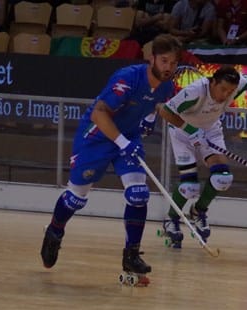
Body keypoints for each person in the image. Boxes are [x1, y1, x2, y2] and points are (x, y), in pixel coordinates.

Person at [40, 34, 183, 285]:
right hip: (96, 136)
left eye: (173, 62)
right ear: (152, 59)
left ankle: (131, 255)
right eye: (164, 61)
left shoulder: (167, 85)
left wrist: (149, 120)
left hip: (127, 136)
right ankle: (54, 231)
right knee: (75, 198)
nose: (168, 67)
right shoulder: (127, 78)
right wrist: (123, 143)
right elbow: (99, 114)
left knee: (138, 194)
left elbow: (156, 104)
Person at [156, 65, 247, 248]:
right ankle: (172, 219)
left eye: (231, 91)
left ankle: (198, 211)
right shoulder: (196, 91)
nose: (226, 95)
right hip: (182, 132)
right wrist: (191, 131)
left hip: (210, 131)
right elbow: (165, 111)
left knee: (222, 179)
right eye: (223, 89)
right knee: (189, 187)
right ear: (213, 82)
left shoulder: (238, 84)